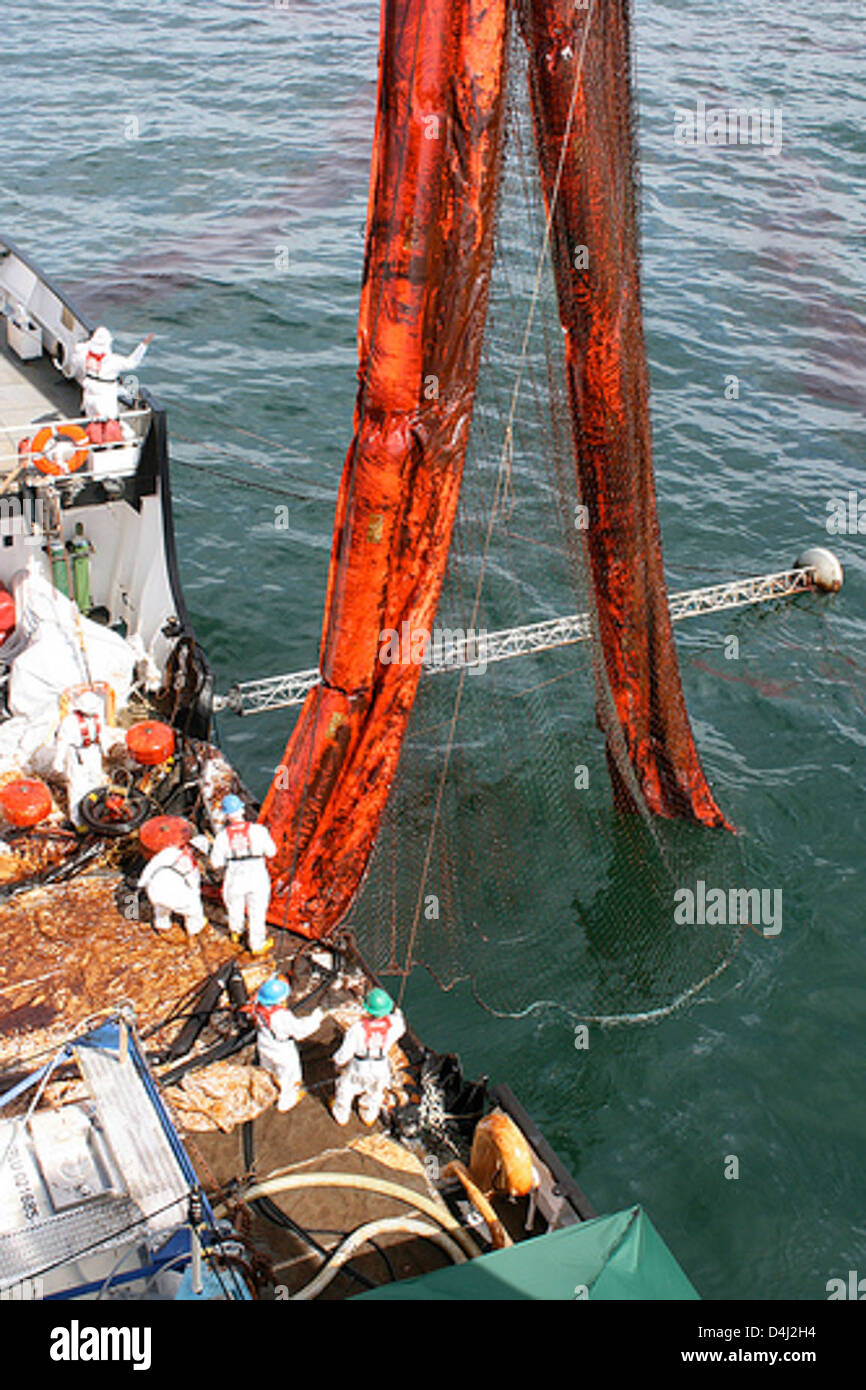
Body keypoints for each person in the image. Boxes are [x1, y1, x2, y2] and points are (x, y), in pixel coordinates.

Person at [209, 794, 277, 955]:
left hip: (234, 875)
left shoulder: (222, 837)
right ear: (242, 810)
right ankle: (257, 945)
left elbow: (216, 863)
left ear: (226, 815)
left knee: (235, 906)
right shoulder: (259, 831)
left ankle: (235, 933)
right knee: (257, 911)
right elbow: (272, 852)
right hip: (257, 875)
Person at [332, 988, 405, 1127]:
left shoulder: (357, 1029)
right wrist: (397, 1012)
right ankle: (368, 1116)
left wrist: (337, 1061)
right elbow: (401, 1024)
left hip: (359, 1066)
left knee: (345, 1088)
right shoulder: (395, 1025)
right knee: (376, 1092)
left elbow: (345, 1053)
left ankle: (341, 1116)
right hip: (381, 1066)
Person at [69, 325, 153, 445]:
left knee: (93, 420)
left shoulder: (83, 356)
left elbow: (74, 358)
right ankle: (108, 444)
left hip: (89, 393)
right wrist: (143, 345)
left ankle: (93, 442)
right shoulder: (113, 361)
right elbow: (131, 363)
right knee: (110, 421)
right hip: (106, 394)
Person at [251, 976, 323, 1113]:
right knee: (289, 1077)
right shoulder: (281, 1016)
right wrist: (317, 1017)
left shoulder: (257, 1005)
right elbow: (300, 1031)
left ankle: (268, 1091)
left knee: (267, 1070)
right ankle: (285, 1102)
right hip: (281, 1049)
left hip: (265, 1043)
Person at [52, 690, 112, 828]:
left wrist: (106, 750)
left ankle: (95, 815)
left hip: (93, 752)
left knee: (95, 783)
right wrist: (58, 761)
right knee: (77, 788)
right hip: (77, 756)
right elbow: (62, 742)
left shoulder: (97, 718)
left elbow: (102, 734)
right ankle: (78, 821)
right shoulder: (69, 722)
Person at [138, 834, 209, 937]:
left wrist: (142, 883)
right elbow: (194, 889)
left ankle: (162, 928)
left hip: (153, 889)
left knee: (161, 908)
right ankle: (194, 932)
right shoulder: (193, 868)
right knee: (194, 908)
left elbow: (151, 866)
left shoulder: (169, 852)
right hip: (169, 894)